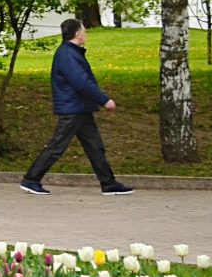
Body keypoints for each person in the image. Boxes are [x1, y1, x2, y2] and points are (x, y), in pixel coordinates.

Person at [21, 19, 133, 196]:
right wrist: (104, 100)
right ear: (77, 34)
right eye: (84, 31)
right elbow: (81, 82)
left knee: (95, 146)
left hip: (80, 107)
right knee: (57, 146)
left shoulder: (71, 53)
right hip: (73, 108)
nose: (86, 34)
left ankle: (108, 183)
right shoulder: (67, 55)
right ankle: (31, 179)